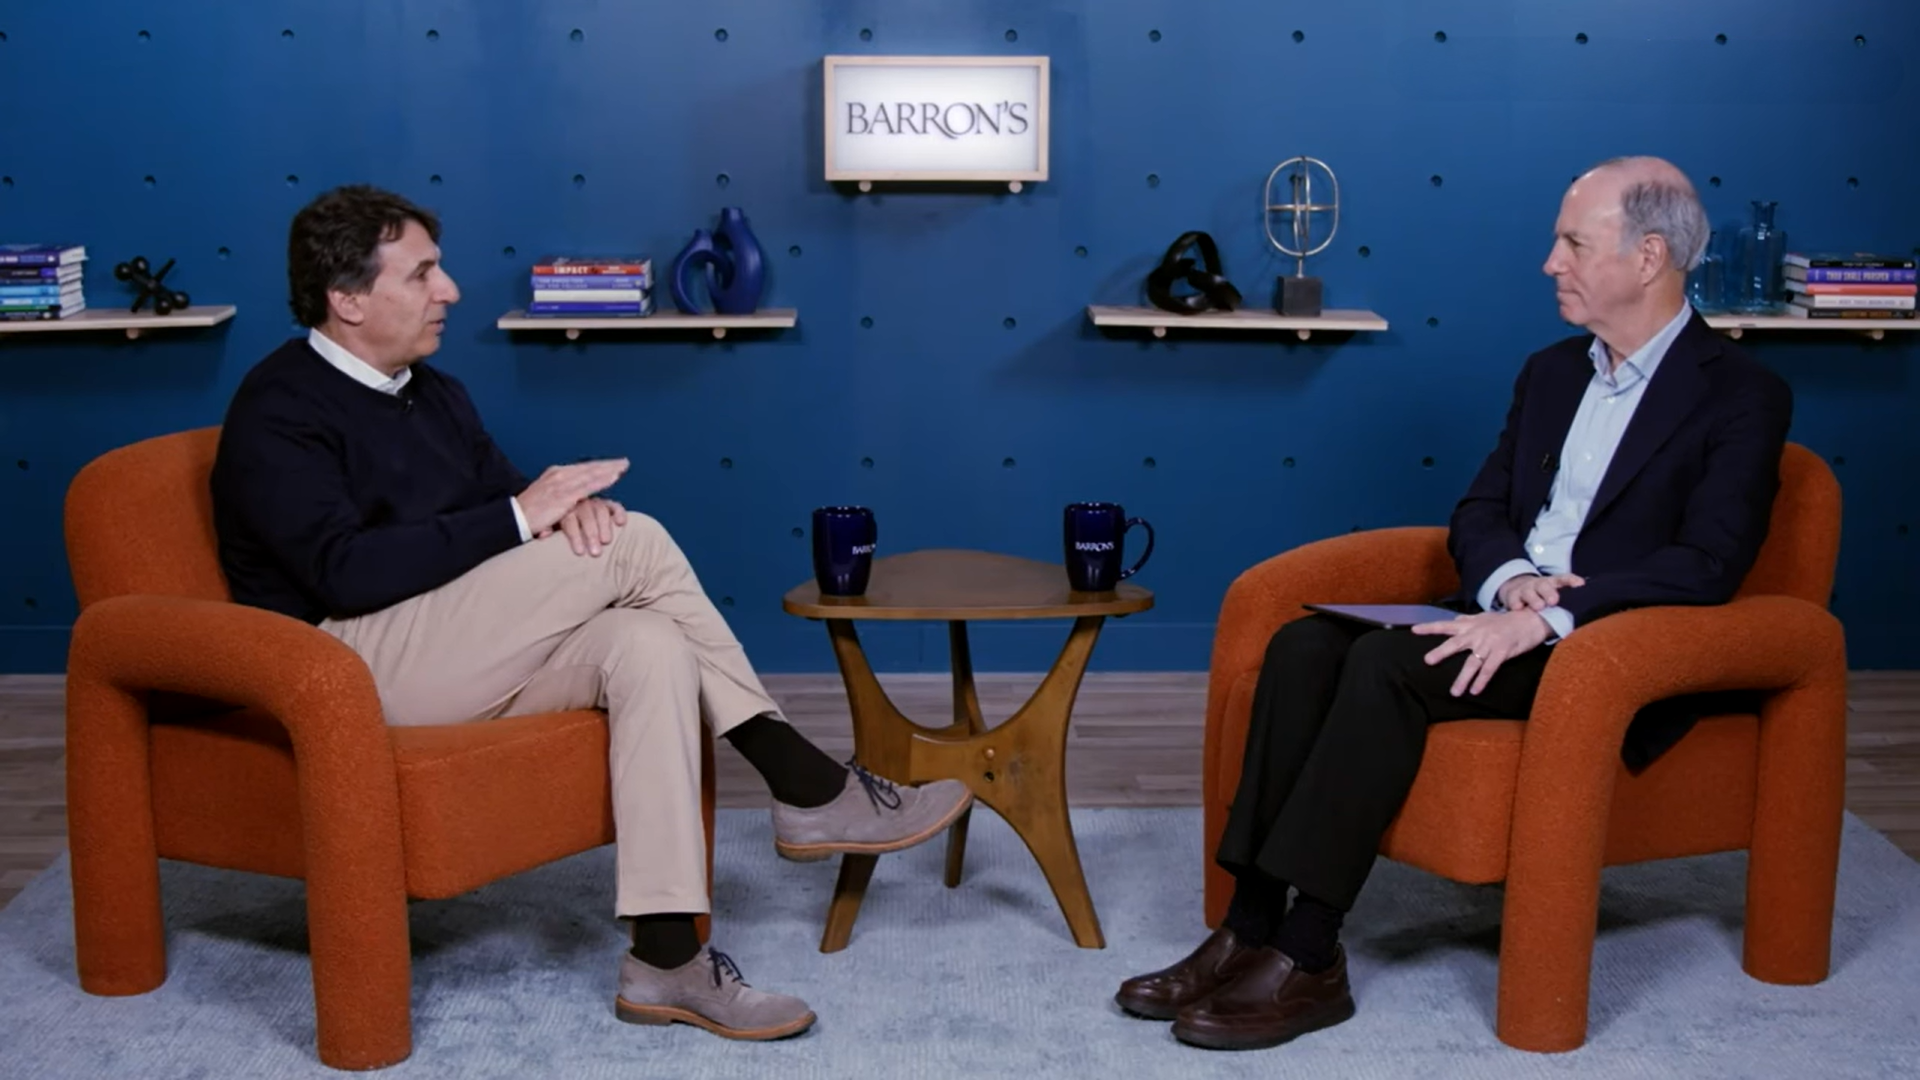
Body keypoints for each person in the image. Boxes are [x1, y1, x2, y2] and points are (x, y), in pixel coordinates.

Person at [209, 184, 972, 1042]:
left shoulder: (433, 393)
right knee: (637, 542)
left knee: (647, 644)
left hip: (448, 646)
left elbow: (505, 504)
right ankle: (808, 785)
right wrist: (531, 517)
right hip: (343, 672)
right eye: (423, 274)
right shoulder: (279, 408)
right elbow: (343, 571)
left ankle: (668, 959)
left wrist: (570, 514)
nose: (450, 289)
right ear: (347, 299)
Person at [1115, 155, 1794, 1051]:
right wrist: (1509, 579)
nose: (1550, 262)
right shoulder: (1552, 373)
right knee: (1301, 649)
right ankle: (1247, 927)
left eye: (1572, 243)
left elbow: (1708, 563)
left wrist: (1544, 616)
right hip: (1502, 610)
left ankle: (1311, 953)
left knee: (1388, 663)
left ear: (1648, 257)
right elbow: (1478, 509)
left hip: (1601, 647)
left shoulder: (1741, 394)